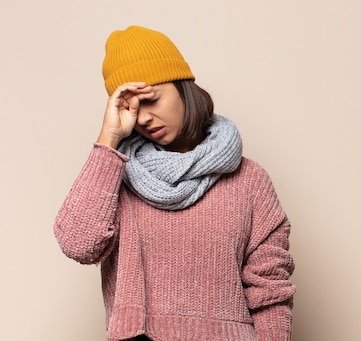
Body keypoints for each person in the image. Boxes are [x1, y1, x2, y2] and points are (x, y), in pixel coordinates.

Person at [53, 25, 296, 341]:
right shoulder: (116, 177)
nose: (142, 118)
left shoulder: (249, 181)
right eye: (131, 108)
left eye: (151, 100)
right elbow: (78, 243)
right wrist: (109, 138)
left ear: (183, 87)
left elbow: (270, 290)